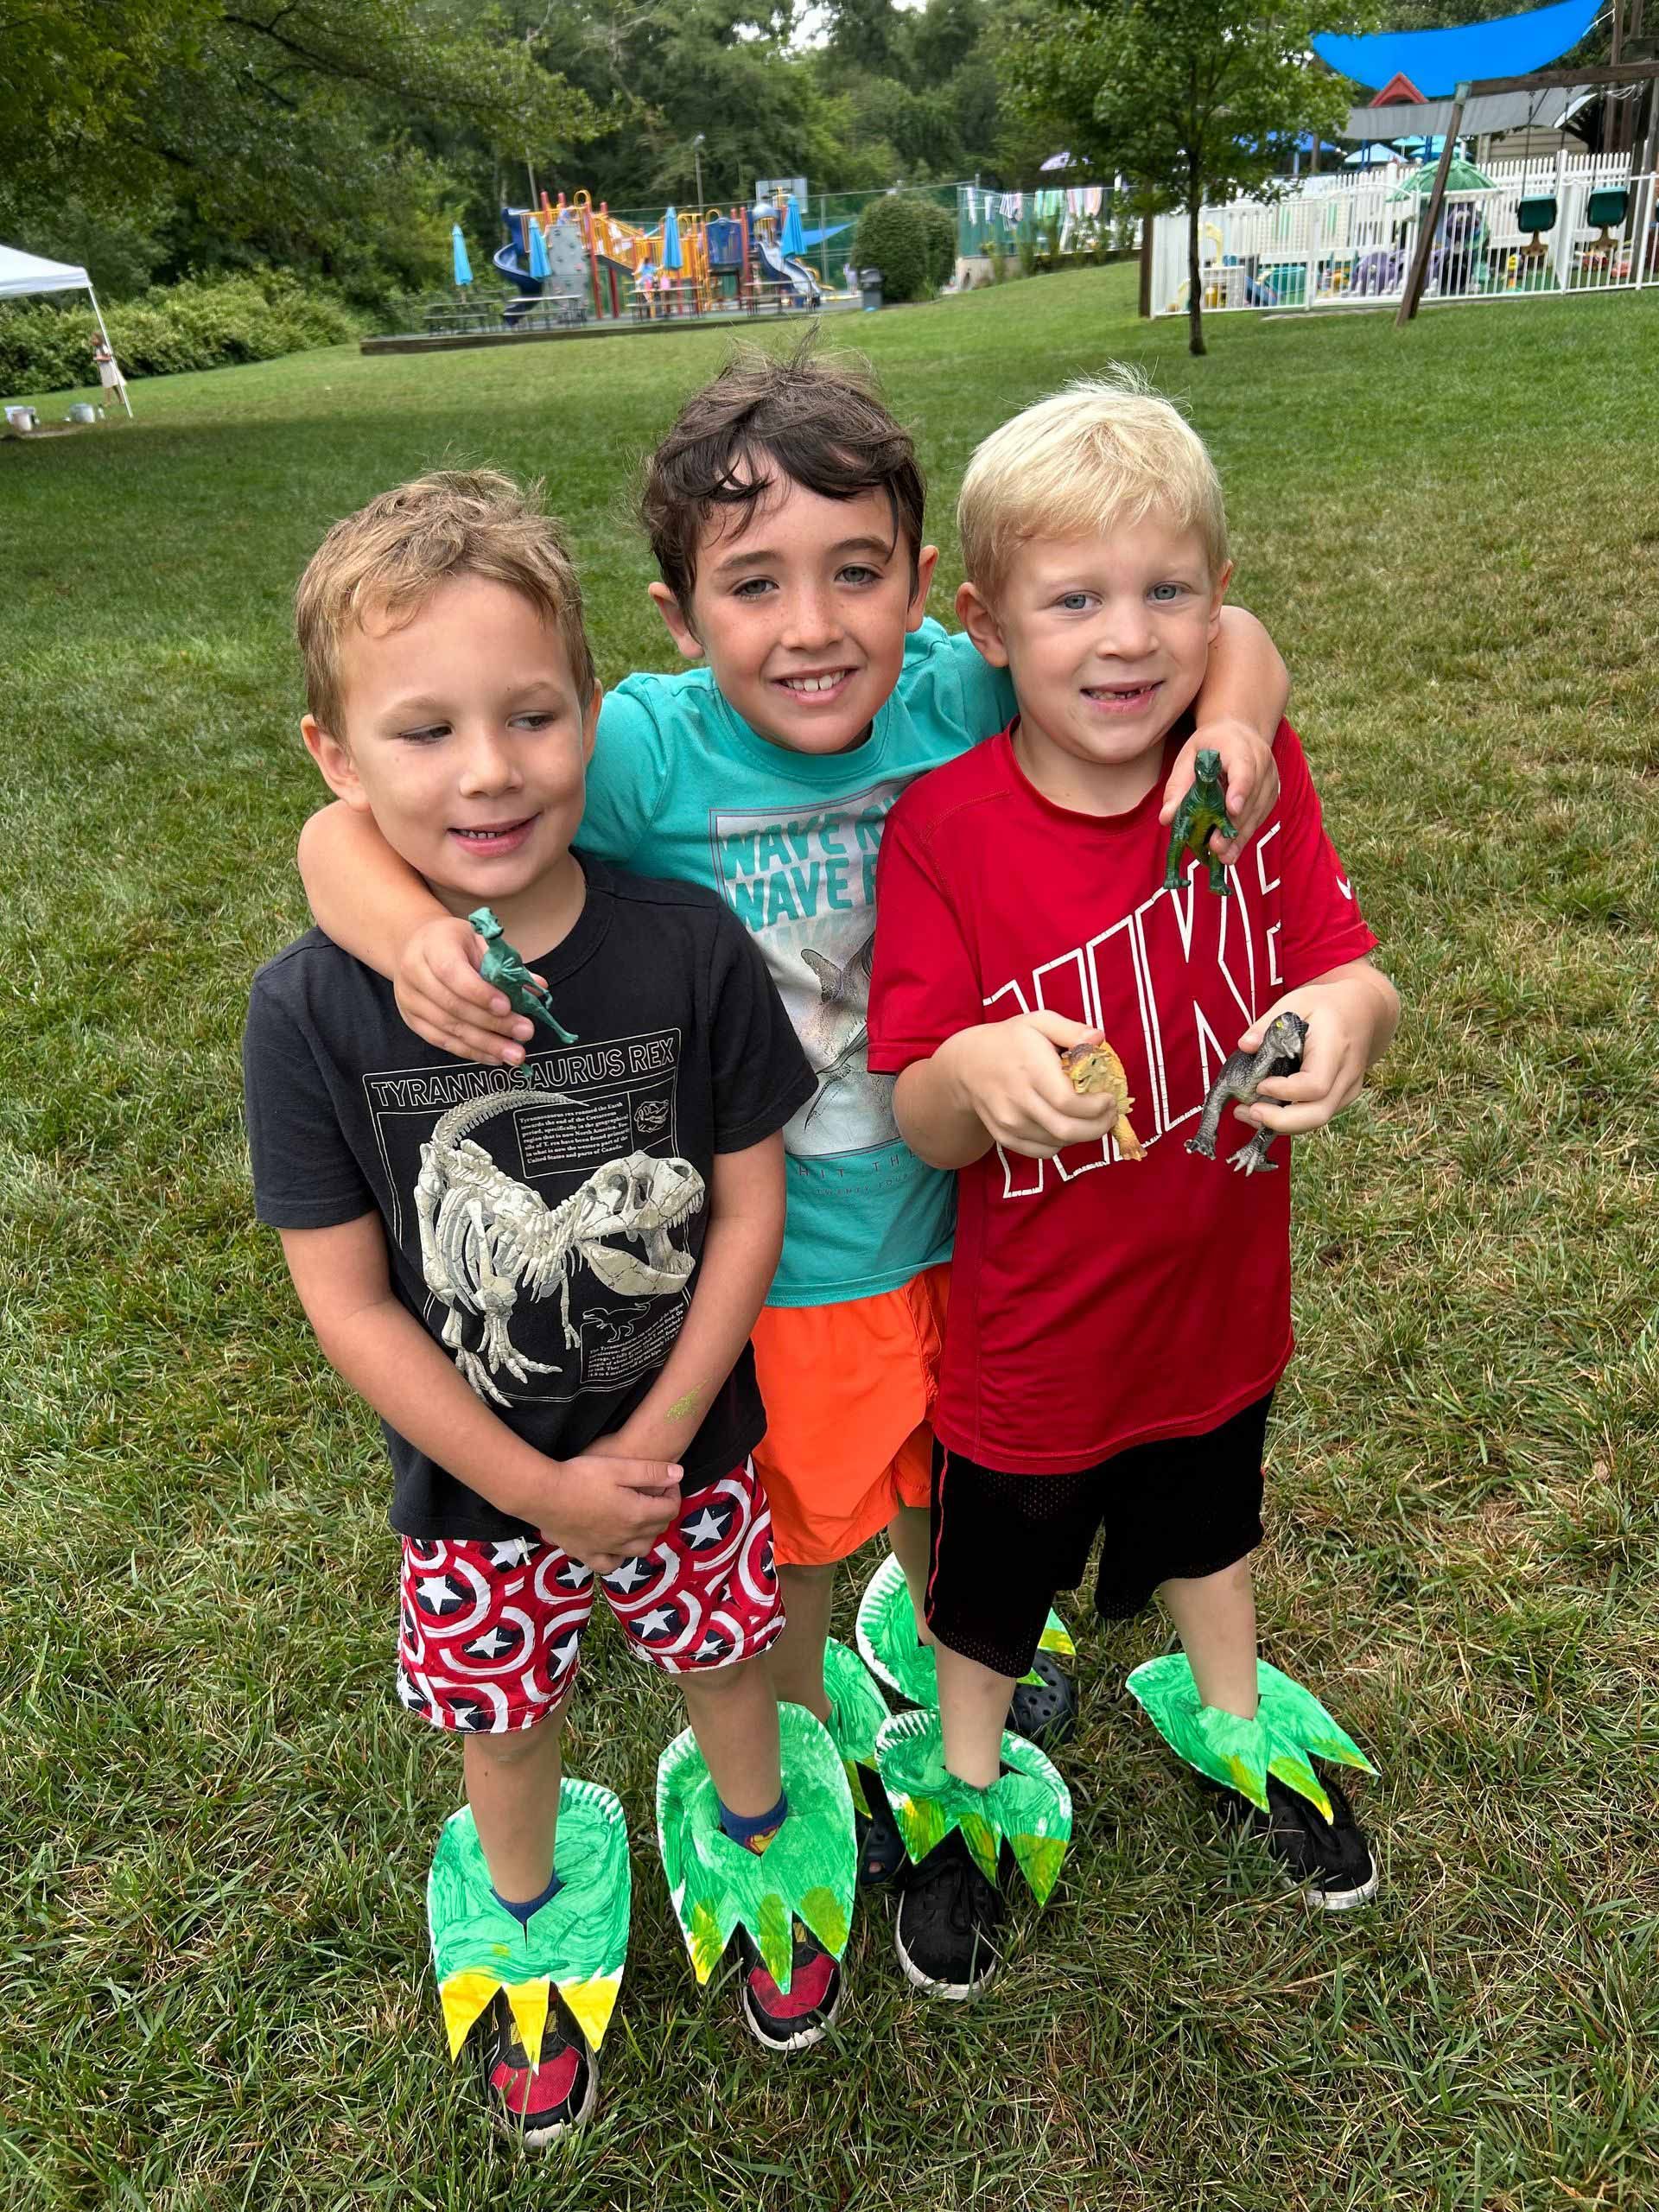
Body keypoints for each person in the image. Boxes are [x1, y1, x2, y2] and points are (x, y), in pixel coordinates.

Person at [293, 348, 1291, 1961]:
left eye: (856, 573)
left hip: (985, 1216)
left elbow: (1230, 636)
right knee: (799, 1522)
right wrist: (413, 936)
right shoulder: (638, 755)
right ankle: (803, 1710)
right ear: (679, 622)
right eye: (754, 585)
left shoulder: (956, 689)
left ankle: (945, 1630)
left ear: (927, 596)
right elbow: (335, 830)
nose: (814, 626)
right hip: (783, 1252)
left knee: (952, 1479)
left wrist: (1227, 736)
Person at [244, 470, 857, 2149]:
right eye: (424, 729)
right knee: (505, 1729)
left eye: (530, 712)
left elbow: (748, 1200)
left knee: (732, 1666)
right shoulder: (308, 1010)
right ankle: (526, 1920)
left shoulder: (686, 945)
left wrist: (654, 1444)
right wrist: (533, 1491)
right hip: (473, 1499)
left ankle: (750, 1837)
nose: (490, 767)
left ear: (591, 707)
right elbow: (351, 1304)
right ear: (335, 760)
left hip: (689, 1457)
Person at [866, 371, 1400, 1998]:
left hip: (1217, 1290)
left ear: (1218, 603)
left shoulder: (1246, 780)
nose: (1128, 639)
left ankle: (1233, 1714)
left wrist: (1344, 1023)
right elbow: (916, 1111)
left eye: (1169, 592)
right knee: (994, 1581)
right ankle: (960, 1791)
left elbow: (1343, 959)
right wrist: (979, 1073)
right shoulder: (949, 830)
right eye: (1075, 599)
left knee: (1211, 1515)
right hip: (1035, 1335)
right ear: (988, 626)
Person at [90, 330, 128, 413]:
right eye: (92, 339)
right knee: (112, 385)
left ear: (99, 339)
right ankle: (121, 400)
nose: (92, 340)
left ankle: (108, 402)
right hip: (103, 367)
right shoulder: (97, 348)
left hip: (108, 367)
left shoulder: (103, 347)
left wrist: (99, 358)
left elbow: (109, 358)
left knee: (109, 385)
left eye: (94, 339)